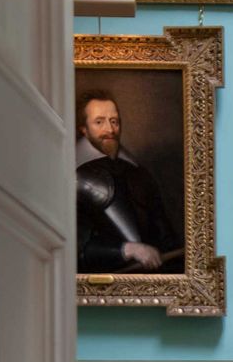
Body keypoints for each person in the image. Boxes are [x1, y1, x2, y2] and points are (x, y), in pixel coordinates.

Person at [75, 91, 183, 274]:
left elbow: (165, 236)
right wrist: (129, 250)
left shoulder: (138, 173)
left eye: (114, 121)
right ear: (84, 129)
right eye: (99, 122)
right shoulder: (74, 177)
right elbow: (75, 248)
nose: (110, 129)